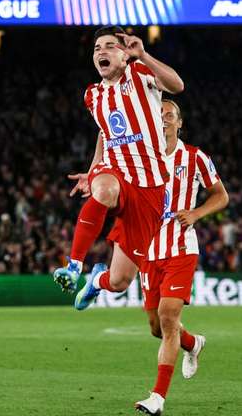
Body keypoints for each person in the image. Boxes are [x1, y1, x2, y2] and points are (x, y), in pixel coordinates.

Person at [54, 26, 183, 312]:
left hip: (150, 185)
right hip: (115, 170)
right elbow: (104, 133)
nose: (101, 51)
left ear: (124, 55)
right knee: (105, 188)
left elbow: (177, 86)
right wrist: (92, 171)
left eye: (110, 46)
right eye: (97, 48)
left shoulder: (140, 74)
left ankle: (96, 280)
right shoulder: (93, 95)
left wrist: (144, 55)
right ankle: (73, 267)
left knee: (121, 279)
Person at [134, 99, 228, 416]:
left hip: (180, 249)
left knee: (168, 315)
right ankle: (192, 343)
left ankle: (157, 397)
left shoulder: (195, 157)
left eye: (169, 115)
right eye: (158, 115)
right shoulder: (142, 158)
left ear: (179, 123)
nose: (163, 119)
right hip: (148, 251)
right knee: (156, 327)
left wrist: (198, 213)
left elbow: (221, 195)